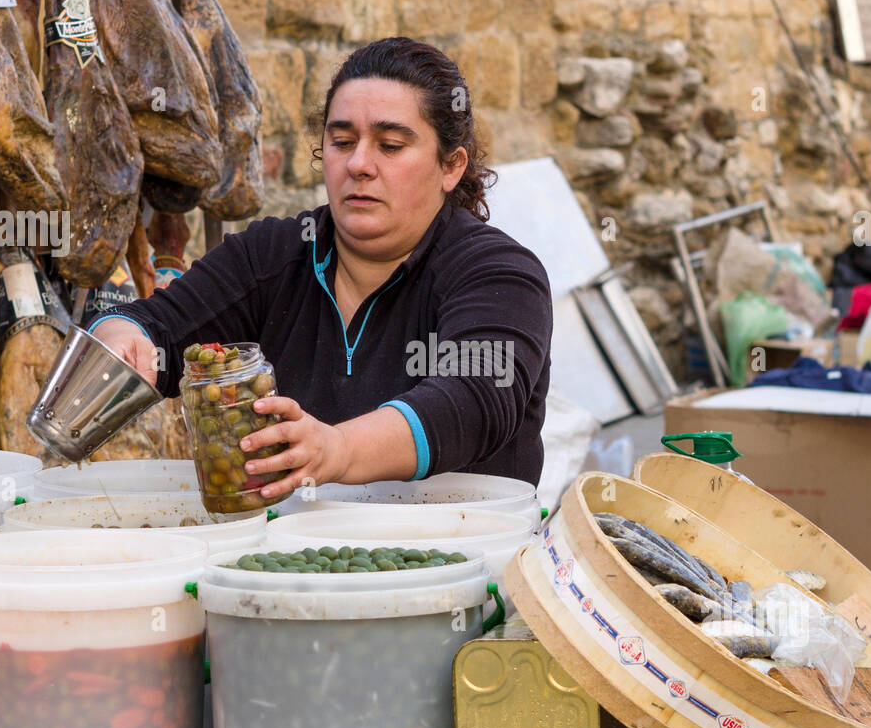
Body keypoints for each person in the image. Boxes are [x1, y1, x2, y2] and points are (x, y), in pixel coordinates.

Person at [92, 36, 554, 502]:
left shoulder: (499, 275)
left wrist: (337, 450)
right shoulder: (273, 255)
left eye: (390, 145)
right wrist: (124, 336)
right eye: (341, 141)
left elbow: (474, 400)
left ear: (450, 167)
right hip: (302, 561)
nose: (358, 164)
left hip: (465, 554)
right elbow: (159, 325)